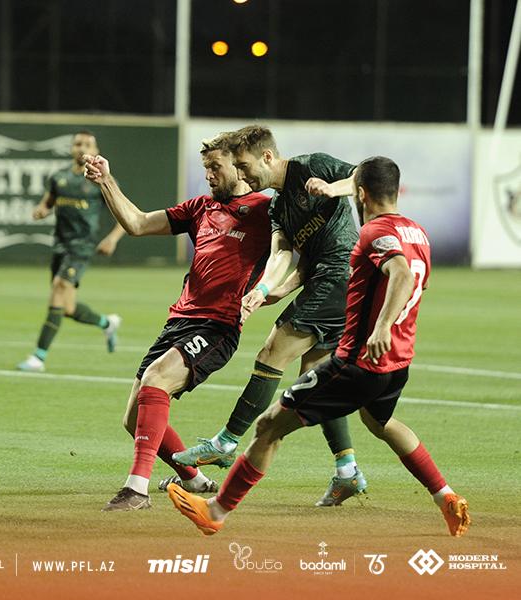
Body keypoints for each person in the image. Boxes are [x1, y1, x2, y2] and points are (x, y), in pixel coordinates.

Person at [168, 156, 471, 537]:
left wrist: (380, 327)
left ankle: (216, 510)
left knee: (269, 426)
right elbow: (414, 280)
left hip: (358, 363)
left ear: (361, 194)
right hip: (397, 363)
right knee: (381, 423)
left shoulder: (374, 232)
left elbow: (400, 275)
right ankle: (445, 496)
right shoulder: (417, 233)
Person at [174, 125, 368, 506]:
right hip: (323, 281)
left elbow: (363, 176)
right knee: (316, 380)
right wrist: (265, 290)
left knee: (270, 354)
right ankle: (347, 471)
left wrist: (334, 189)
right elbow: (282, 254)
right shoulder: (278, 207)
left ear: (267, 157)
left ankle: (226, 442)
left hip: (340, 277)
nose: (242, 176)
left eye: (244, 166)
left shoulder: (313, 166)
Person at [82, 133, 272, 511]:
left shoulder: (266, 211)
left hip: (218, 326)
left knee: (156, 379)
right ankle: (193, 478)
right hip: (179, 321)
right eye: (206, 168)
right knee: (133, 418)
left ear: (240, 166)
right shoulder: (200, 208)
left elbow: (295, 253)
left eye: (216, 167)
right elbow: (137, 223)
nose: (209, 175)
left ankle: (136, 490)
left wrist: (269, 291)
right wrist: (106, 180)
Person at [17, 131, 125, 373]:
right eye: (77, 144)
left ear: (95, 150)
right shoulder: (59, 177)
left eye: (87, 144)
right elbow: (47, 202)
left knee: (58, 288)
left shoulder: (102, 180)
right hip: (60, 245)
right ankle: (107, 323)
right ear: (71, 148)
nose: (81, 148)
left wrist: (112, 239)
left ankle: (38, 357)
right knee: (66, 307)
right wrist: (42, 210)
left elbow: (124, 213)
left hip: (82, 246)